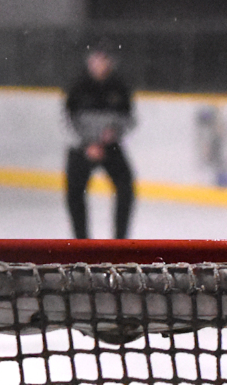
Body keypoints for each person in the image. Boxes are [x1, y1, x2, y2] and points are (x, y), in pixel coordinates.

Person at [63, 47, 135, 241]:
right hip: (82, 148)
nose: (99, 65)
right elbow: (67, 120)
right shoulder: (78, 86)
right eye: (96, 60)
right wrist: (88, 144)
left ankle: (120, 242)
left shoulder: (118, 87)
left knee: (126, 188)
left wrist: (113, 135)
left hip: (110, 147)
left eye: (104, 60)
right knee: (74, 191)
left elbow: (129, 118)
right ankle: (81, 242)